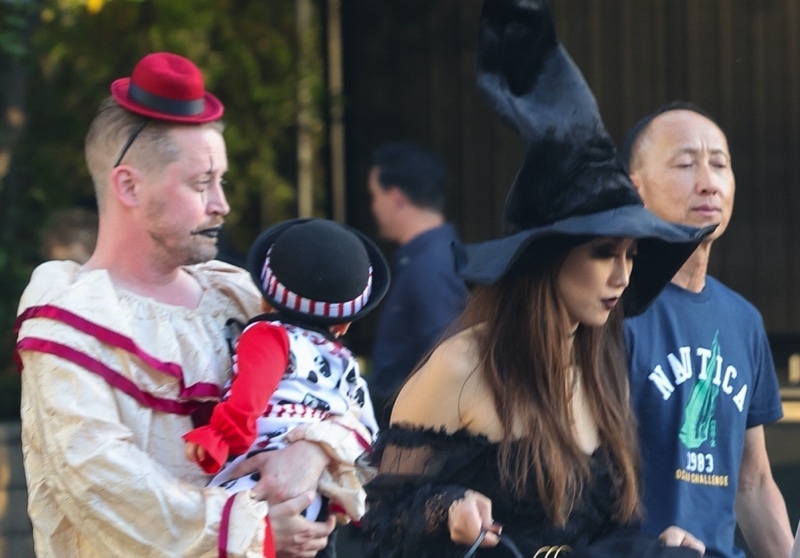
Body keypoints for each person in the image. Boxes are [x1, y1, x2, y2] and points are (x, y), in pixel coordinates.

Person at [361, 1, 713, 556]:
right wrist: (445, 509)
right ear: (546, 256)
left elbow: (587, 533)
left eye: (631, 254)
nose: (622, 275)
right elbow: (375, 522)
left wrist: (648, 545)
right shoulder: (460, 366)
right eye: (603, 252)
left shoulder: (601, 363)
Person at [15, 52, 345, 557]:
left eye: (222, 181)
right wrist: (249, 528)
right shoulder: (74, 316)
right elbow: (102, 484)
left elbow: (334, 389)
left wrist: (311, 450)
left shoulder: (236, 295)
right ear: (129, 185)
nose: (222, 204)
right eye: (201, 182)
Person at [621, 101, 794, 558]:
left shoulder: (743, 320)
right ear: (634, 188)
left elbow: (753, 483)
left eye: (719, 164)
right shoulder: (611, 309)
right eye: (685, 164)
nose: (708, 182)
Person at [183, 218, 389, 526]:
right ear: (343, 325)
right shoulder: (345, 363)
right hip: (317, 493)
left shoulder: (269, 336)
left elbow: (247, 400)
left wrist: (218, 437)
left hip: (259, 475)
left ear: (265, 301)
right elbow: (368, 433)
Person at [366, 141, 468, 428]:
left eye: (375, 196)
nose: (373, 207)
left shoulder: (430, 268)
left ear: (396, 198)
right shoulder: (436, 258)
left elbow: (449, 366)